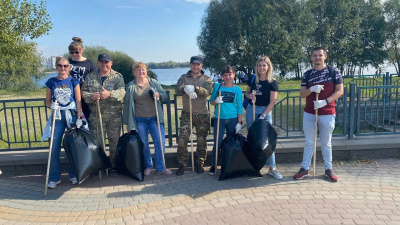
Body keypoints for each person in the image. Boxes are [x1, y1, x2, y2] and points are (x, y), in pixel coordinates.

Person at [294, 46, 343, 182]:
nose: (317, 58)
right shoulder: (307, 74)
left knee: (326, 142)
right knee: (309, 142)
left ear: (325, 56)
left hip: (327, 112)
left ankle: (328, 169)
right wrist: (311, 89)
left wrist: (325, 101)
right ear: (311, 58)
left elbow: (339, 91)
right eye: (315, 55)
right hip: (310, 112)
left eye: (320, 55)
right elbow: (302, 93)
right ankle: (305, 168)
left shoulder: (334, 72)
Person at [123, 62, 172, 175]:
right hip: (140, 120)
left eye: (143, 69)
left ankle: (161, 167)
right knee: (144, 144)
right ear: (134, 72)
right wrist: (127, 124)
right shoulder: (131, 86)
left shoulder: (153, 83)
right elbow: (127, 106)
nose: (141, 72)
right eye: (138, 70)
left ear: (146, 71)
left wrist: (159, 96)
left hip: (155, 119)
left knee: (160, 142)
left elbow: (164, 96)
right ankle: (148, 166)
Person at [41, 56, 83, 189]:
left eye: (65, 66)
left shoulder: (73, 81)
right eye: (60, 65)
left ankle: (73, 174)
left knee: (72, 145)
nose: (62, 68)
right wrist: (51, 105)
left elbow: (78, 100)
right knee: (54, 147)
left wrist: (79, 118)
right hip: (57, 116)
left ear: (68, 67)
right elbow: (47, 100)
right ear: (56, 67)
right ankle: (54, 177)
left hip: (71, 115)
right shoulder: (51, 81)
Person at [81, 53, 125, 170]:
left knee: (114, 142)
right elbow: (83, 93)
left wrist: (109, 94)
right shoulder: (90, 77)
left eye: (106, 62)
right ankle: (100, 166)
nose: (104, 64)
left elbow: (122, 92)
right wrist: (91, 96)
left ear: (111, 63)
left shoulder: (117, 77)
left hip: (113, 116)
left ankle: (113, 166)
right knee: (97, 143)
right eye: (102, 62)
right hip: (96, 116)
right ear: (98, 63)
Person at [244, 56, 282, 179]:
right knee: (253, 138)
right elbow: (246, 93)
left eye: (264, 65)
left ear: (268, 67)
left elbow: (272, 102)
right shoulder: (253, 79)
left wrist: (263, 115)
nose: (261, 68)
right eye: (259, 65)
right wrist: (250, 97)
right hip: (251, 109)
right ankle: (254, 166)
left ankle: (272, 168)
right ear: (257, 67)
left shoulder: (272, 82)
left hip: (265, 110)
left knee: (267, 140)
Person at [175, 56, 213, 175]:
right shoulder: (184, 77)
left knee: (201, 140)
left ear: (201, 65)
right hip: (187, 114)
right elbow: (177, 89)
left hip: (202, 115)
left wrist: (195, 88)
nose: (195, 67)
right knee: (182, 140)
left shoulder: (206, 79)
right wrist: (185, 88)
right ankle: (182, 164)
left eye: (198, 64)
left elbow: (208, 92)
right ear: (190, 65)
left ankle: (200, 163)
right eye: (193, 64)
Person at [208, 65, 243, 175]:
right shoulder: (218, 87)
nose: (228, 77)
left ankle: (229, 164)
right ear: (222, 76)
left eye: (230, 74)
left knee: (231, 143)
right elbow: (211, 101)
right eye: (225, 75)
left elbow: (239, 106)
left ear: (234, 75)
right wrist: (216, 101)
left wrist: (239, 122)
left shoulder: (237, 89)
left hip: (232, 119)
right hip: (220, 119)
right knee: (217, 143)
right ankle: (214, 165)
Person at [68, 37, 97, 120]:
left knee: (86, 120)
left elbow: (94, 80)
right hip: (71, 96)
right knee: (72, 120)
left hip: (85, 96)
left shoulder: (89, 63)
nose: (74, 54)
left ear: (82, 50)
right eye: (72, 52)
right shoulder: (67, 62)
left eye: (77, 52)